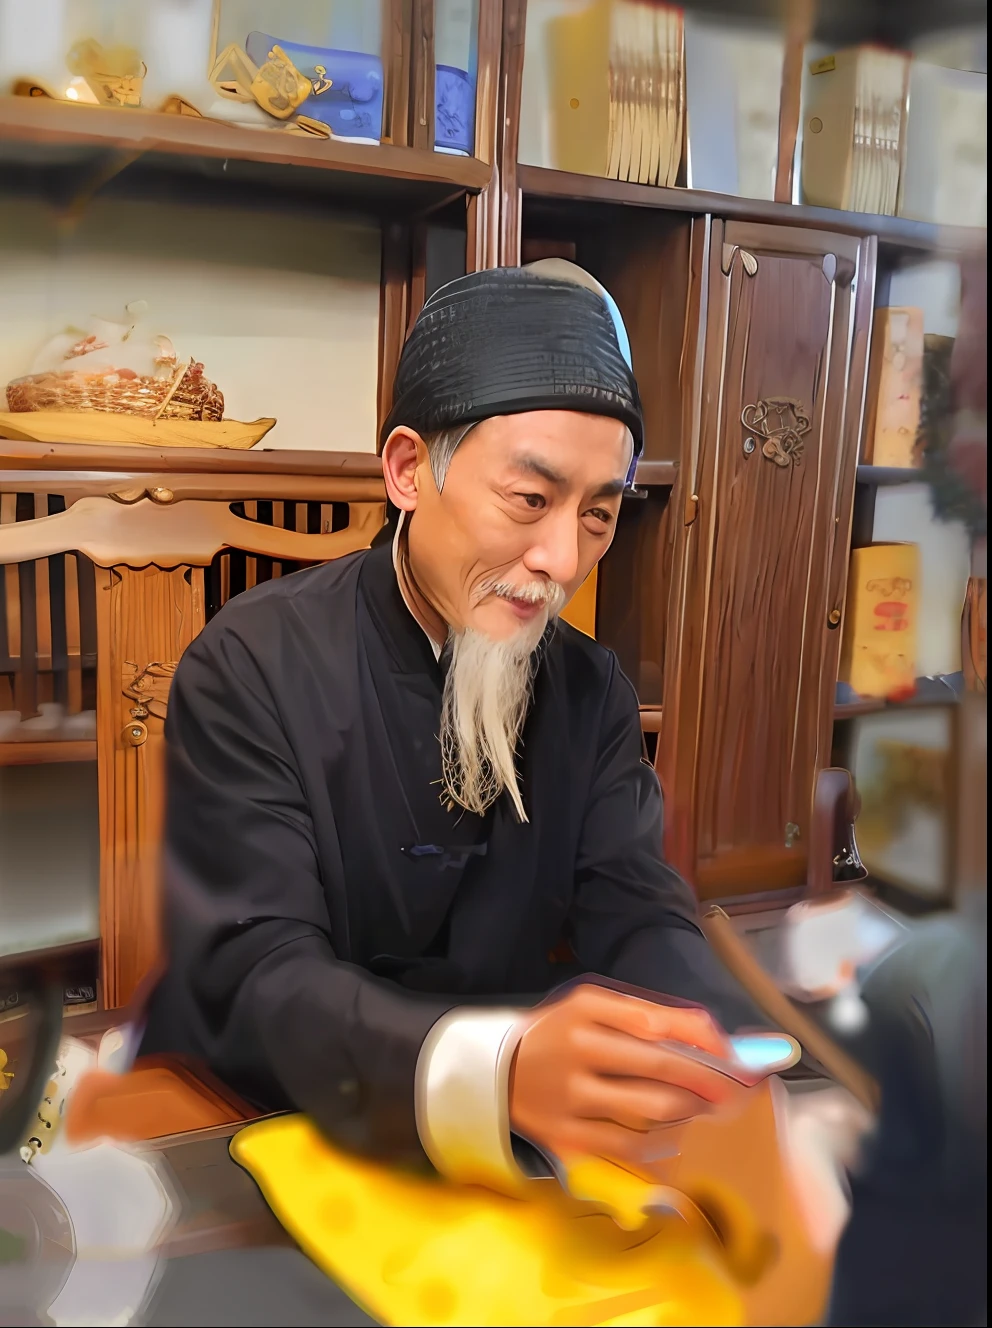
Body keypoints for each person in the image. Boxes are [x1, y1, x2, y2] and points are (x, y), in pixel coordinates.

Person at [140, 263, 767, 1191]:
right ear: (406, 470)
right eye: (529, 499)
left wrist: (723, 1056)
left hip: (506, 1137)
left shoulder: (589, 690)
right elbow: (254, 976)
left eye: (599, 517)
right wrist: (496, 1067)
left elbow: (638, 910)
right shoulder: (252, 665)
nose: (561, 560)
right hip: (273, 1119)